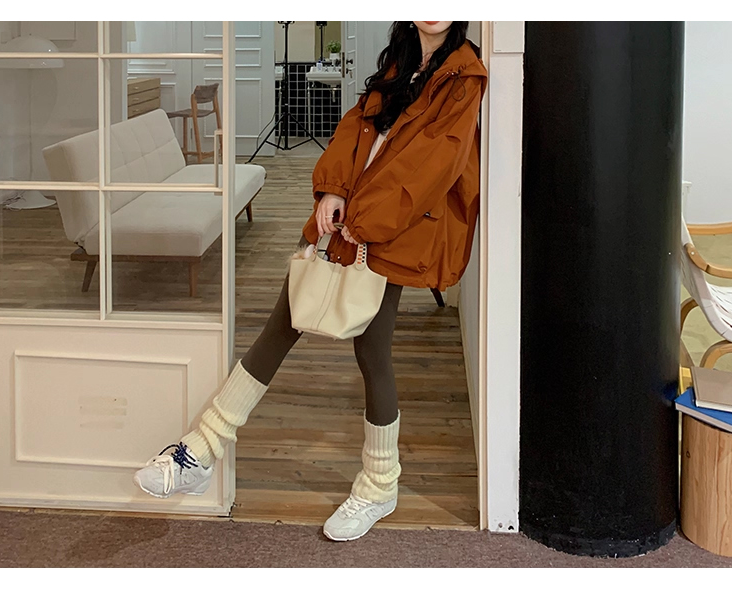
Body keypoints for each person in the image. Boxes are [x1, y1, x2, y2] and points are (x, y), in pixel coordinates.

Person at [134, 21, 488, 542]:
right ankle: (202, 450)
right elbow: (356, 127)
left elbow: (433, 165)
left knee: (372, 351)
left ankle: (379, 484)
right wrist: (332, 189)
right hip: (347, 216)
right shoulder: (400, 61)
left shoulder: (465, 75)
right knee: (286, 322)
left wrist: (361, 219)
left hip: (390, 227)